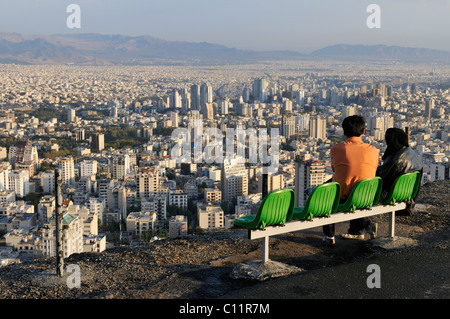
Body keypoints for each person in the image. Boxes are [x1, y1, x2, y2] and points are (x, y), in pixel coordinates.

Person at [323, 115, 379, 247]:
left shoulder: (337, 149)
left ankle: (329, 235)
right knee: (359, 180)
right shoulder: (373, 150)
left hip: (343, 197)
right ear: (363, 131)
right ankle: (359, 229)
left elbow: (335, 168)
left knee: (328, 190)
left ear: (344, 132)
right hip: (367, 195)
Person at [376, 127, 423, 215]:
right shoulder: (410, 152)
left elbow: (381, 180)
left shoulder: (396, 160)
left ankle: (361, 224)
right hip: (406, 194)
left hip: (391, 195)